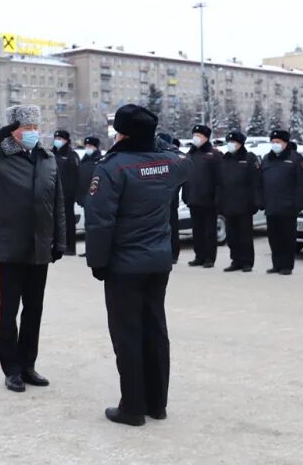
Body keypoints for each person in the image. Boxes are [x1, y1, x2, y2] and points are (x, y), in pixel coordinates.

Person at [85, 104, 191, 427]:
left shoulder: (112, 168)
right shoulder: (170, 163)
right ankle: (156, 404)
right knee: (155, 330)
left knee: (127, 335)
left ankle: (132, 407)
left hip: (124, 265)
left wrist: (98, 262)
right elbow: (183, 157)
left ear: (122, 133)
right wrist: (152, 143)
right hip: (158, 261)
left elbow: (100, 222)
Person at [0, 105, 66, 393]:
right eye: (25, 127)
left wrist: (60, 240)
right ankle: (12, 369)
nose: (32, 132)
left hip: (40, 246)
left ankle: (28, 364)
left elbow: (57, 203)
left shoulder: (47, 158)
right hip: (9, 246)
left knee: (34, 310)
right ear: (12, 129)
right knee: (9, 310)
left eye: (35, 127)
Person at [260, 129, 303, 275]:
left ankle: (287, 265)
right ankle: (276, 264)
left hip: (288, 206)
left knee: (287, 237)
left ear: (285, 143)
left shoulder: (295, 158)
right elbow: (261, 181)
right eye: (273, 142)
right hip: (272, 205)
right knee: (274, 238)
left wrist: (298, 204)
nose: (275, 144)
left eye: (278, 142)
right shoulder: (267, 158)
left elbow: (301, 183)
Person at [217, 131, 260, 272]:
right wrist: (219, 201)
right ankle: (236, 260)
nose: (230, 144)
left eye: (233, 142)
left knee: (245, 236)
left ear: (240, 144)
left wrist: (254, 202)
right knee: (232, 235)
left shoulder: (249, 158)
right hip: (228, 204)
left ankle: (247, 262)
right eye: (229, 142)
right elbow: (220, 182)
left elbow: (256, 182)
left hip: (244, 204)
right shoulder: (225, 159)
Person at [183, 124, 223, 268]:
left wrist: (217, 197)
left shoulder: (214, 155)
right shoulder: (191, 154)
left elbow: (220, 179)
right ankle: (199, 256)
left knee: (209, 231)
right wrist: (186, 195)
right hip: (194, 198)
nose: (196, 138)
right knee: (197, 230)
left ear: (206, 138)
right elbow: (186, 177)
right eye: (195, 135)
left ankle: (209, 258)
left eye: (199, 136)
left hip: (209, 200)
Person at [156, 133, 184, 264]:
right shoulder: (156, 157)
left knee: (172, 227)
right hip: (158, 199)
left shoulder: (173, 158)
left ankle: (173, 253)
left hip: (170, 198)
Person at [53, 130, 80, 256]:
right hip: (52, 192)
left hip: (67, 194)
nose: (57, 140)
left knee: (68, 220)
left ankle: (70, 247)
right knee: (53, 220)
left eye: (60, 138)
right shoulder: (52, 153)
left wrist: (72, 193)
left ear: (66, 140)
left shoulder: (71, 155)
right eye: (56, 138)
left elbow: (75, 176)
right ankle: (56, 245)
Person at [76, 137, 102, 257]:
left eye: (90, 146)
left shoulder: (100, 161)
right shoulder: (84, 160)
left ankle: (98, 250)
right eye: (86, 146)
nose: (88, 148)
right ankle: (89, 250)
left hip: (97, 199)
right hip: (85, 198)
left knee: (97, 226)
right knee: (88, 226)